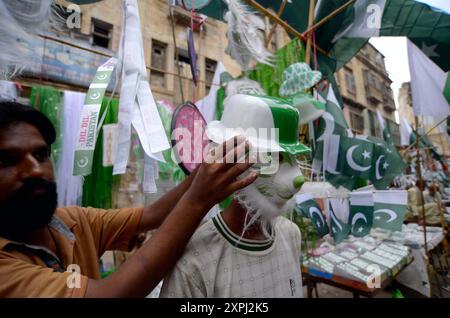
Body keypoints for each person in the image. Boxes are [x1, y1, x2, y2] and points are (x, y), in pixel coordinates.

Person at [0, 101, 257, 297]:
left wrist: (208, 169)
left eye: (41, 154)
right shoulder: (5, 271)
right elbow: (113, 294)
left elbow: (153, 215)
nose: (34, 169)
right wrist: (198, 201)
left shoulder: (72, 222)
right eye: (7, 161)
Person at [160, 94, 309, 298]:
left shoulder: (291, 234)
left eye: (293, 158)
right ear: (231, 157)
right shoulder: (192, 263)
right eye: (274, 157)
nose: (298, 177)